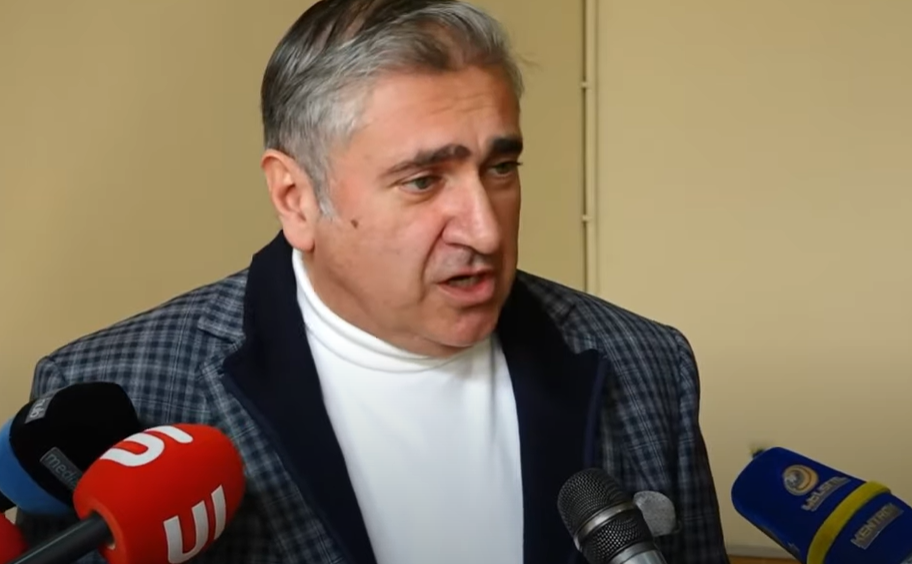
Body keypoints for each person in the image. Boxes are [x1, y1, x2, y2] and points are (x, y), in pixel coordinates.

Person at [17, 1, 730, 563]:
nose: (485, 231)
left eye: (500, 168)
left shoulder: (649, 363)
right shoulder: (117, 396)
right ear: (296, 198)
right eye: (423, 180)